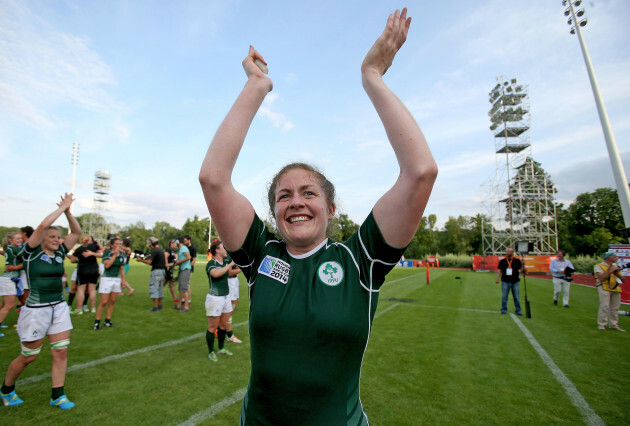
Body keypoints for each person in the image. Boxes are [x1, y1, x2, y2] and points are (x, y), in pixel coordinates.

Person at [198, 8, 436, 424]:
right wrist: (257, 86)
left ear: (330, 208)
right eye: (283, 196)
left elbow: (420, 173)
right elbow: (213, 179)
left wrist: (373, 76)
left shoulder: (360, 259)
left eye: (309, 193)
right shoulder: (260, 255)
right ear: (274, 212)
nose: (295, 202)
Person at [1, 193, 80, 409]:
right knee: (29, 356)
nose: (57, 240)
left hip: (59, 307)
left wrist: (68, 213)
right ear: (42, 238)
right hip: (36, 309)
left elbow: (77, 232)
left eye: (58, 237)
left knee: (60, 351)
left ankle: (58, 395)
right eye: (52, 237)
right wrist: (61, 207)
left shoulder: (60, 251)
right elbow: (44, 224)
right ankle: (6, 389)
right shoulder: (30, 252)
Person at [204, 240, 236, 361]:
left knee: (223, 325)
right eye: (223, 247)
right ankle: (211, 351)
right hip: (215, 298)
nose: (225, 250)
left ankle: (221, 348)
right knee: (213, 327)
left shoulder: (226, 260)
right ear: (217, 250)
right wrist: (229, 266)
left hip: (226, 297)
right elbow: (216, 274)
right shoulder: (211, 264)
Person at [94, 237, 127, 330]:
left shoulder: (122, 255)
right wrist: (114, 255)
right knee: (103, 302)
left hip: (116, 279)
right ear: (111, 245)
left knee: (112, 301)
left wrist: (123, 280)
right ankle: (97, 322)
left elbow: (122, 268)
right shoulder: (107, 253)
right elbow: (107, 265)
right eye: (117, 244)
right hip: (107, 279)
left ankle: (108, 320)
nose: (119, 246)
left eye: (120, 244)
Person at [594, 252, 626, 332]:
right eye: (615, 257)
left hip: (615, 288)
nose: (617, 258)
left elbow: (624, 280)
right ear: (609, 258)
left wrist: (617, 274)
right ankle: (602, 324)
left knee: (615, 308)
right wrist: (610, 271)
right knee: (604, 306)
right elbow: (601, 278)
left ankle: (614, 324)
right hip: (604, 287)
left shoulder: (615, 267)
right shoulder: (598, 266)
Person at [71, 236, 101, 315]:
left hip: (83, 270)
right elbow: (101, 252)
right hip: (94, 269)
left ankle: (79, 309)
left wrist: (78, 261)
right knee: (92, 289)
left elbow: (72, 260)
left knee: (81, 290)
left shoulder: (79, 249)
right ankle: (93, 308)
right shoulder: (94, 247)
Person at [0, 232, 23, 335]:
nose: (20, 240)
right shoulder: (14, 248)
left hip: (6, 278)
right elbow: (27, 257)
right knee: (9, 305)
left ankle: (1, 322)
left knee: (4, 304)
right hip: (8, 279)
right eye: (17, 239)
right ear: (11, 241)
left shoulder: (9, 248)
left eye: (20, 238)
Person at [136, 237, 166, 312]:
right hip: (162, 272)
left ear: (152, 244)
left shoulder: (154, 251)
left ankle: (155, 308)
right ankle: (160, 305)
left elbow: (149, 262)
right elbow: (153, 263)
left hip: (156, 272)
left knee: (155, 289)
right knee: (160, 289)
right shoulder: (161, 250)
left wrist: (141, 260)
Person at [495, 248, 523, 316]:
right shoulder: (502, 261)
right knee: (504, 296)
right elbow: (499, 270)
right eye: (506, 251)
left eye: (508, 251)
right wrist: (497, 278)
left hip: (515, 281)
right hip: (505, 281)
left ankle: (518, 310)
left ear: (512, 252)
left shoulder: (517, 261)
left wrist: (523, 264)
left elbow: (521, 269)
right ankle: (503, 309)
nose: (507, 253)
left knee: (516, 296)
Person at [225, 256, 242, 343]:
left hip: (235, 281)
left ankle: (221, 328)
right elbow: (229, 273)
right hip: (230, 282)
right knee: (229, 310)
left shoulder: (235, 252)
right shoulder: (227, 256)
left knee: (233, 307)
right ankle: (229, 334)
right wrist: (242, 269)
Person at [174, 237, 192, 312]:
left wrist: (179, 262)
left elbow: (188, 257)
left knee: (184, 289)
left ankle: (186, 307)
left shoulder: (183, 248)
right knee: (181, 288)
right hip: (182, 270)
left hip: (185, 270)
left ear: (178, 242)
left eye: (175, 242)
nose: (175, 244)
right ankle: (179, 305)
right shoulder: (181, 248)